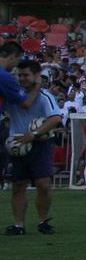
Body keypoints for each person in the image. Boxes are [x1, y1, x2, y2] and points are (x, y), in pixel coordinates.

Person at [4, 57, 63, 235]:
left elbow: (55, 118)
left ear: (36, 76)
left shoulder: (45, 96)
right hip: (17, 144)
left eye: (26, 75)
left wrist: (34, 134)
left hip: (40, 144)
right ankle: (19, 225)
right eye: (19, 75)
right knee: (18, 185)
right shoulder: (13, 94)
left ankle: (42, 221)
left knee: (43, 184)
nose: (22, 78)